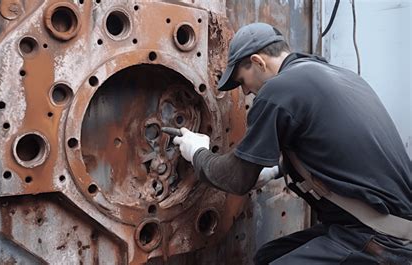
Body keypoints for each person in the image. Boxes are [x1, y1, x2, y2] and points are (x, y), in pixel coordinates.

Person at [172, 22, 412, 264]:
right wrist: (277, 170)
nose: (244, 92)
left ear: (258, 62)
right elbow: (336, 151)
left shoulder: (279, 90)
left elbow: (237, 178)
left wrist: (197, 153)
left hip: (380, 237)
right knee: (269, 256)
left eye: (242, 80)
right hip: (386, 226)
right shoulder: (336, 75)